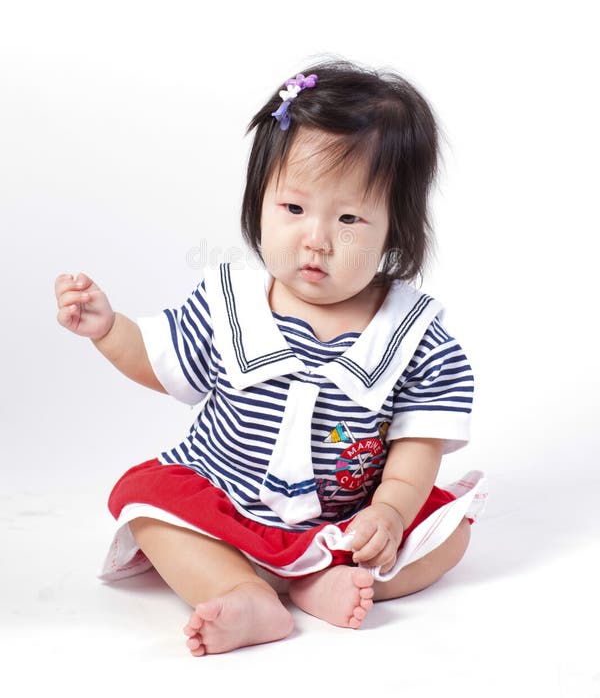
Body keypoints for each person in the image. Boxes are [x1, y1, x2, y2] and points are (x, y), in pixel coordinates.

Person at [55, 59, 486, 657]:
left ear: (397, 229)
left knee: (451, 535)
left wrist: (388, 513)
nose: (317, 238)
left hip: (347, 520)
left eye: (350, 218)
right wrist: (109, 330)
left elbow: (419, 446)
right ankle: (242, 590)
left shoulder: (413, 336)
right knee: (148, 507)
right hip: (227, 502)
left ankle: (319, 577)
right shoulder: (231, 307)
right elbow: (159, 361)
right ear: (260, 200)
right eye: (294, 209)